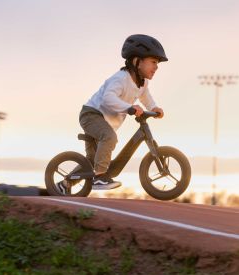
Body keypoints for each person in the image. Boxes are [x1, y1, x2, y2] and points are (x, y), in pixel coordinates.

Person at [58, 34, 168, 193]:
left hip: (104, 120)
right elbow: (107, 99)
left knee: (92, 160)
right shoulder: (121, 79)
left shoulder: (142, 82)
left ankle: (64, 185)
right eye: (153, 62)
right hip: (91, 115)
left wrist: (154, 107)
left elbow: (145, 96)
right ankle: (100, 178)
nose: (156, 67)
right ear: (137, 61)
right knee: (109, 138)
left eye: (157, 63)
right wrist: (129, 108)